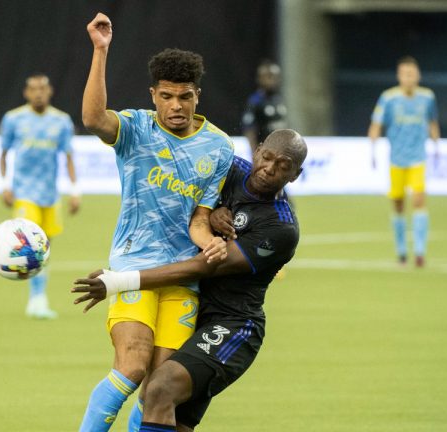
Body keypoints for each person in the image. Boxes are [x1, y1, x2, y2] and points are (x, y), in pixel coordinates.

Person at [72, 129, 307, 431]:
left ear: (296, 174)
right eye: (267, 157)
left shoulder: (280, 227)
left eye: (283, 166)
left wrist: (119, 281)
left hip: (231, 324)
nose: (270, 168)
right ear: (257, 150)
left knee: (160, 389)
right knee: (163, 409)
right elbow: (177, 201)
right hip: (190, 304)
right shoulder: (228, 168)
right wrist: (207, 215)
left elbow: (204, 267)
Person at [78, 12, 235, 431]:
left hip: (182, 276)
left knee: (158, 388)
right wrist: (100, 51)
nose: (176, 106)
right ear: (153, 95)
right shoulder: (136, 129)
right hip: (132, 266)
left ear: (197, 95)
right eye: (166, 96)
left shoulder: (219, 147)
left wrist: (210, 244)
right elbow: (94, 119)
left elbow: (199, 219)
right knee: (131, 366)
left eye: (184, 96)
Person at [0, 73, 81, 319]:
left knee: (44, 248)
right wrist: (5, 184)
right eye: (33, 89)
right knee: (30, 244)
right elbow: (3, 153)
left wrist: (75, 191)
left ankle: (39, 298)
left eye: (42, 89)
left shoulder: (62, 121)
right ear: (26, 93)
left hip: (50, 195)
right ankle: (36, 299)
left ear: (50, 92)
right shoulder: (14, 119)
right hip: (24, 193)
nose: (38, 93)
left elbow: (68, 157)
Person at [368, 56, 440, 268]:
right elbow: (376, 124)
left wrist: (437, 147)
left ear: (418, 76)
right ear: (399, 76)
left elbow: (433, 122)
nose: (408, 78)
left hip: (418, 158)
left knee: (419, 200)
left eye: (412, 74)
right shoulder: (388, 98)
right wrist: (371, 149)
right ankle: (401, 251)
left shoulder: (427, 97)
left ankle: (419, 252)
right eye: (404, 74)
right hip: (396, 159)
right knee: (398, 205)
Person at [241, 60, 288, 159]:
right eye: (269, 76)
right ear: (260, 79)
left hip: (280, 153)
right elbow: (249, 130)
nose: (273, 80)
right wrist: (255, 155)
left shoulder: (278, 100)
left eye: (276, 77)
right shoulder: (255, 101)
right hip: (265, 154)